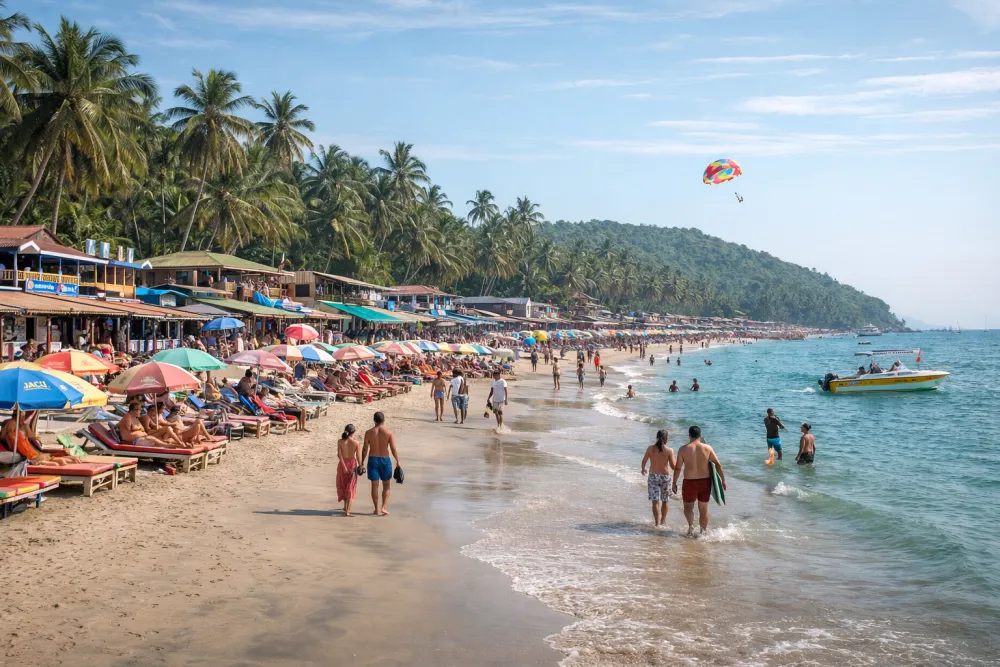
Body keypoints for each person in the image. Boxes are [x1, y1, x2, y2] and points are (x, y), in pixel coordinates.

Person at [672, 425, 726, 536]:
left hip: (689, 482)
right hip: (705, 482)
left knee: (688, 507)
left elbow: (677, 468)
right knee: (703, 508)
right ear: (700, 436)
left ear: (689, 436)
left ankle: (691, 526)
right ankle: (703, 532)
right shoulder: (708, 448)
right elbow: (718, 465)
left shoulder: (683, 449)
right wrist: (723, 481)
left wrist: (674, 482)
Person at [1, 408, 82, 466]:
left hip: (31, 451)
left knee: (61, 457)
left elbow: (32, 439)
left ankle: (47, 459)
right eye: (26, 413)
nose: (27, 415)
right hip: (25, 453)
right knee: (58, 460)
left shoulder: (24, 425)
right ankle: (45, 460)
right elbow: (10, 441)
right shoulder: (11, 424)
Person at [362, 412, 400, 516]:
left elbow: (365, 449)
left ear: (374, 420)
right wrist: (398, 460)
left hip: (373, 459)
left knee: (374, 485)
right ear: (383, 420)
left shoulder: (368, 433)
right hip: (385, 460)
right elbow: (393, 448)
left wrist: (361, 462)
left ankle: (376, 509)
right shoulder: (389, 433)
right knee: (386, 485)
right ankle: (383, 507)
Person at [641, 430, 677, 528]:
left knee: (655, 501)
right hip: (665, 477)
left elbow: (644, 460)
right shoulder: (669, 450)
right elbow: (674, 467)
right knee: (665, 500)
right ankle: (663, 521)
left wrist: (643, 469)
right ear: (666, 439)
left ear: (657, 437)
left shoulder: (650, 448)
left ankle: (657, 523)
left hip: (653, 476)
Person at [337, 424, 362, 516]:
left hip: (342, 464)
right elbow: (358, 456)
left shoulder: (340, 441)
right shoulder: (356, 443)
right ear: (353, 432)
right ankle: (348, 511)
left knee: (342, 485)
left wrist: (343, 466)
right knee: (351, 487)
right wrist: (361, 465)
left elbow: (339, 455)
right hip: (352, 464)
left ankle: (345, 506)